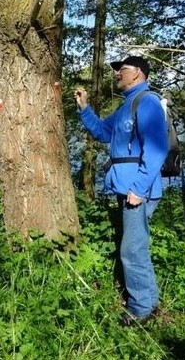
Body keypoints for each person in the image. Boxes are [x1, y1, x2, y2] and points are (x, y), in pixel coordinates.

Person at [74, 55, 169, 327]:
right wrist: (84, 109)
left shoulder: (147, 102)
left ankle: (141, 310)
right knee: (134, 246)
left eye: (121, 70)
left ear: (137, 73)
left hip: (138, 189)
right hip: (126, 187)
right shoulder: (127, 105)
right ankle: (147, 301)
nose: (117, 74)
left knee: (132, 249)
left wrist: (139, 188)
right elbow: (104, 132)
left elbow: (156, 149)